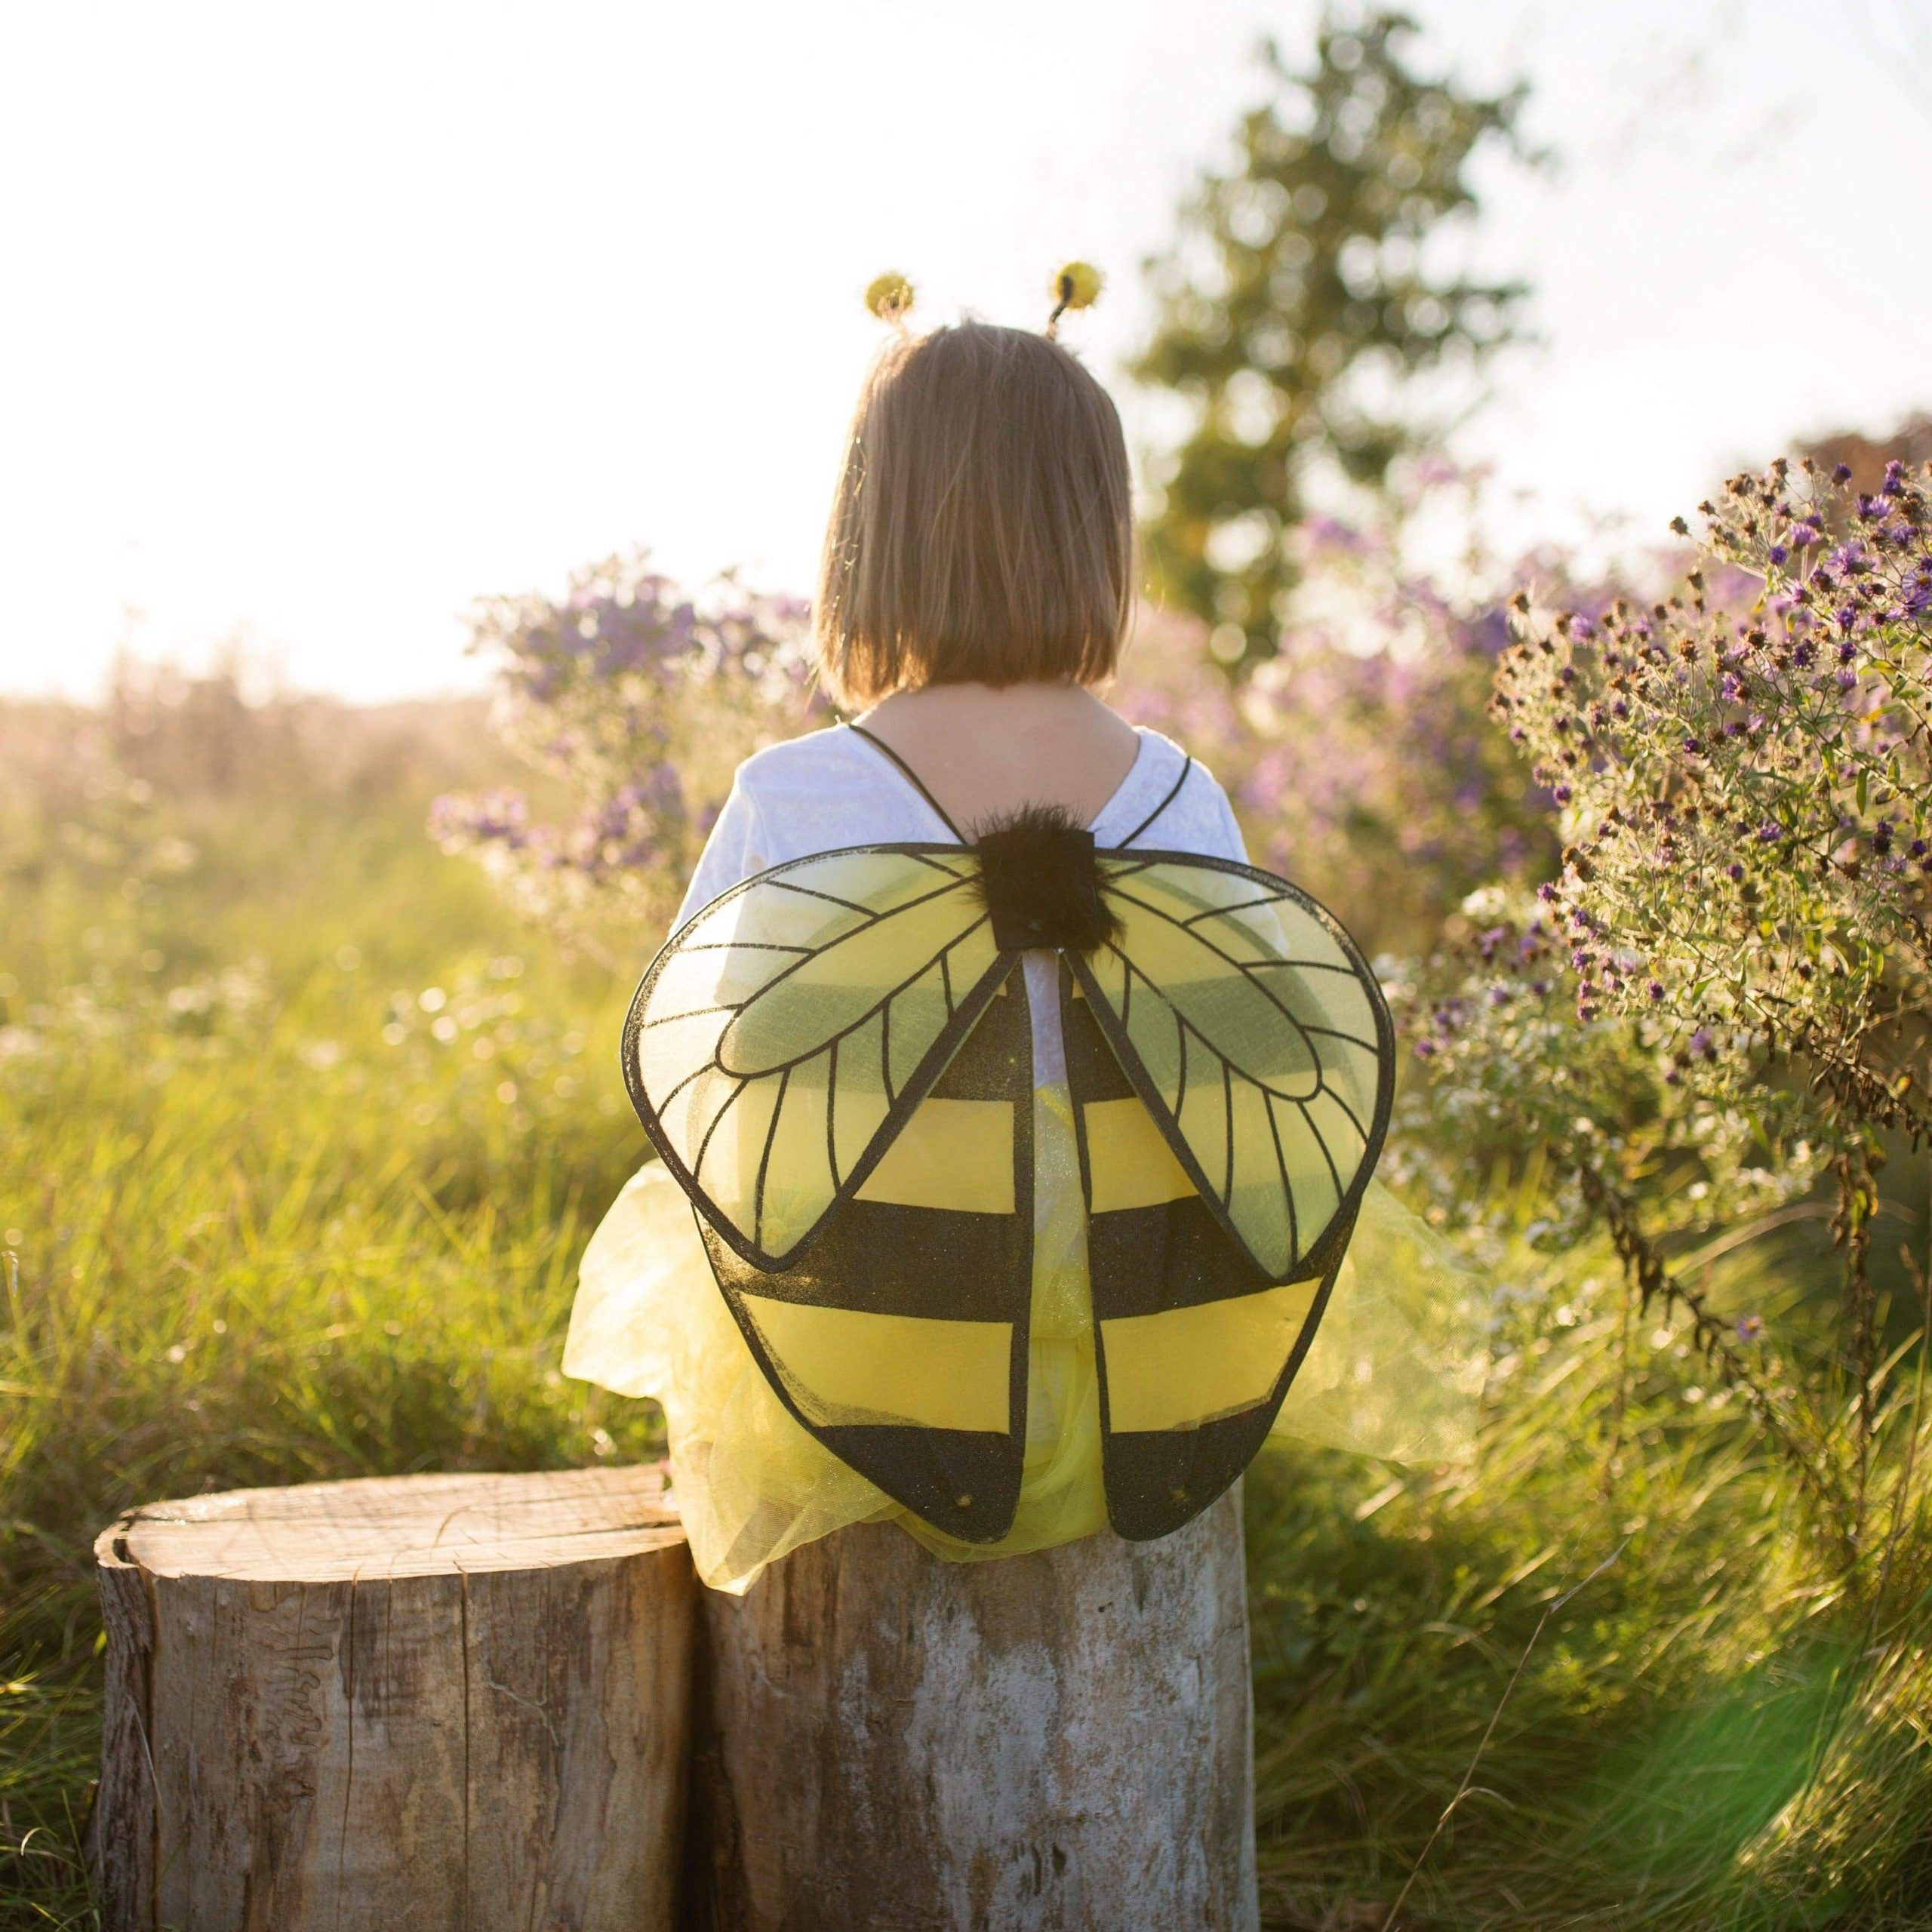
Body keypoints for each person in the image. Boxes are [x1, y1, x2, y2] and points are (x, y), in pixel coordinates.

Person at [565, 269, 1475, 1595]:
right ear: (1098, 533)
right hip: (1149, 1354)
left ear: (870, 531)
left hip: (877, 1350)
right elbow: (1252, 1091)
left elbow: (713, 1082)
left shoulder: (799, 797)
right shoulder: (1180, 795)